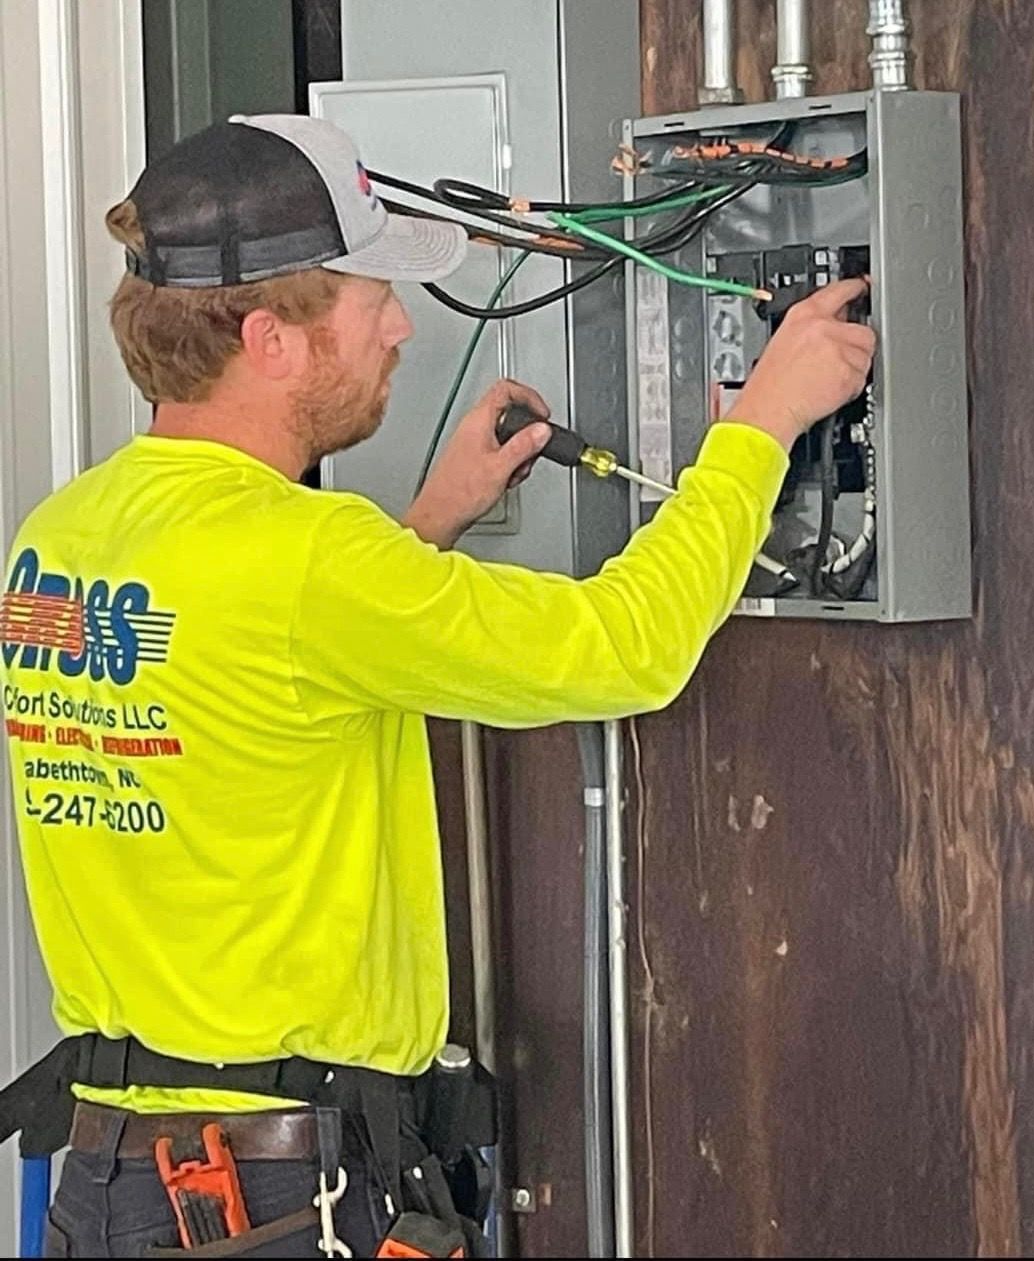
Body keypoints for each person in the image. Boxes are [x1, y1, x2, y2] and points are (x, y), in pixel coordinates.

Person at [0, 114, 873, 1257]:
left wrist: (425, 530)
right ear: (270, 339)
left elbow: (258, 681)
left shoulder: (65, 537)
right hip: (273, 1203)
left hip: (115, 1185)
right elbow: (626, 646)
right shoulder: (312, 562)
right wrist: (763, 421)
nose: (401, 329)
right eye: (372, 303)